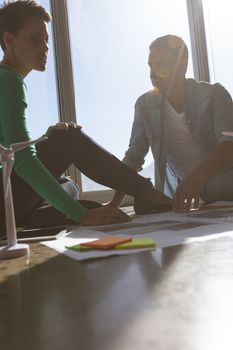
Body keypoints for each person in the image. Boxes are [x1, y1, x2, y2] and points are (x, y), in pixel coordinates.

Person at [0, 0, 172, 236]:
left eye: (46, 40)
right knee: (69, 139)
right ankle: (150, 194)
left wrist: (43, 140)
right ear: (9, 41)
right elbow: (23, 161)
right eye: (34, 38)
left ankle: (37, 218)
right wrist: (80, 215)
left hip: (9, 201)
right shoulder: (8, 81)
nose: (45, 47)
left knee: (68, 186)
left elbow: (9, 148)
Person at [109, 34, 233, 213]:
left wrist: (196, 177)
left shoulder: (215, 95)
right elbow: (133, 157)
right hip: (190, 191)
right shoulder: (144, 106)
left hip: (225, 178)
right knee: (143, 205)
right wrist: (114, 205)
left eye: (161, 65)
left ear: (182, 64)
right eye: (150, 66)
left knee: (215, 188)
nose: (152, 74)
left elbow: (228, 145)